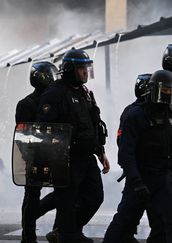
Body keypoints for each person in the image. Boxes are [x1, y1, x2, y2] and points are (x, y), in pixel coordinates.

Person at [103, 70, 172, 243]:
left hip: (163, 177)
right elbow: (126, 153)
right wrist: (137, 182)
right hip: (140, 176)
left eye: (170, 92)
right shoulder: (135, 115)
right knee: (124, 221)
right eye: (164, 91)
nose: (166, 97)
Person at [38, 48, 109, 243]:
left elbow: (93, 125)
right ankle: (68, 235)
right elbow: (45, 129)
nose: (86, 72)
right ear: (70, 69)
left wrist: (100, 151)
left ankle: (65, 231)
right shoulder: (55, 94)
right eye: (81, 69)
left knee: (95, 197)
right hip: (66, 159)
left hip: (87, 157)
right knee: (67, 202)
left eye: (87, 68)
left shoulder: (85, 93)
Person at [15, 61, 59, 243]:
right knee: (32, 196)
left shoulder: (57, 100)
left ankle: (58, 231)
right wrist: (29, 156)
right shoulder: (26, 104)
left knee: (63, 193)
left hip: (56, 154)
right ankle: (28, 236)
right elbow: (23, 135)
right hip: (36, 157)